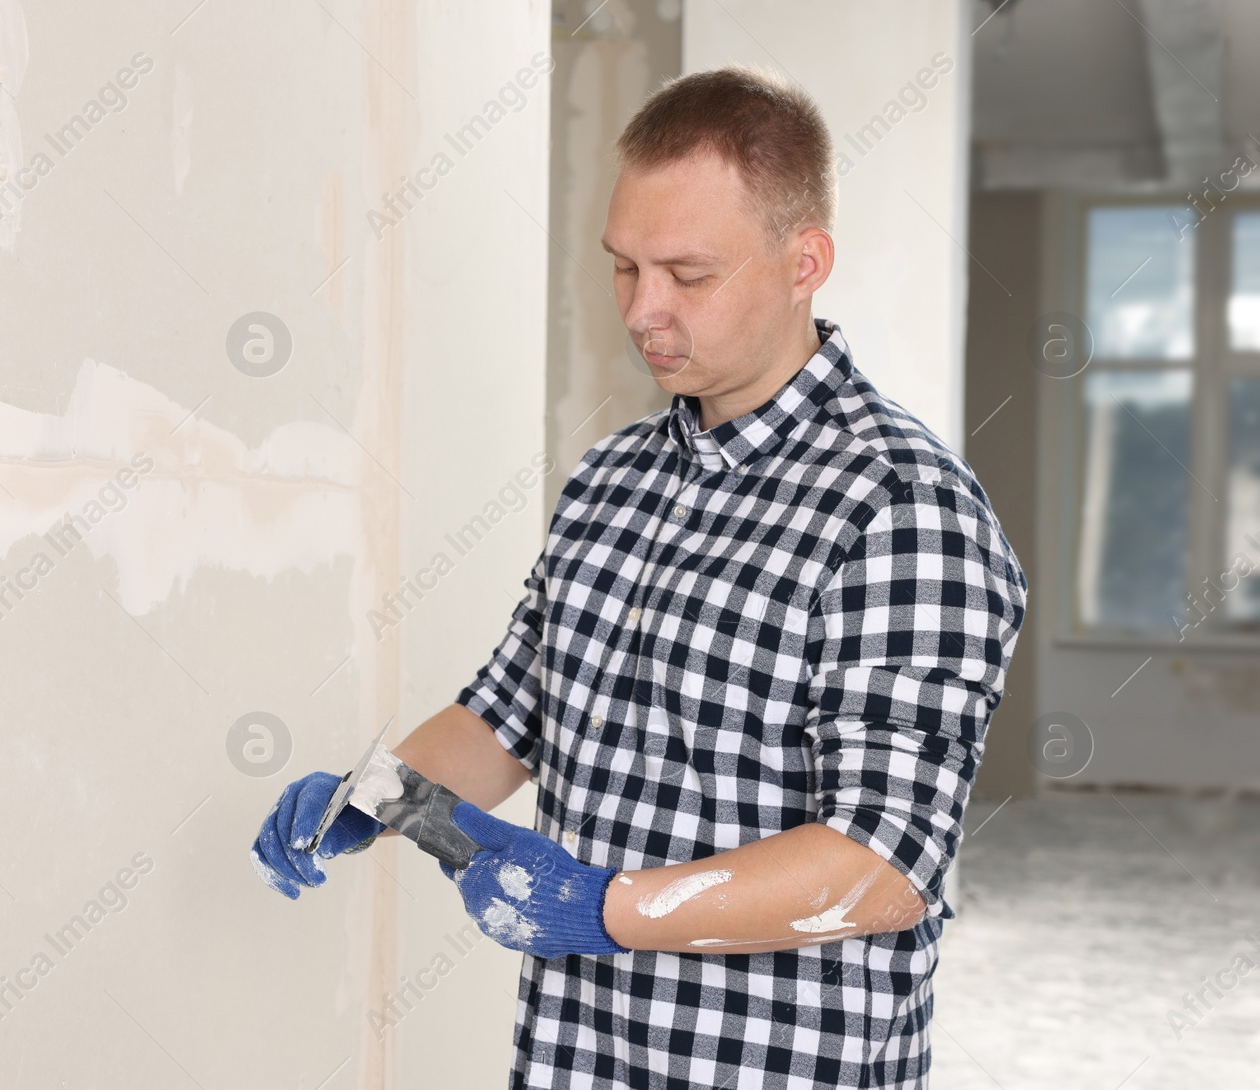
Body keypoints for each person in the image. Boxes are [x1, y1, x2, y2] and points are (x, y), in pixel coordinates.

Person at [251, 64, 1026, 1090]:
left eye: (686, 274)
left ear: (806, 262)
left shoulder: (902, 510)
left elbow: (881, 866)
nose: (642, 309)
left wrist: (603, 906)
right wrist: (379, 795)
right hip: (577, 1056)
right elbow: (514, 708)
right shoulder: (614, 475)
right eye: (622, 267)